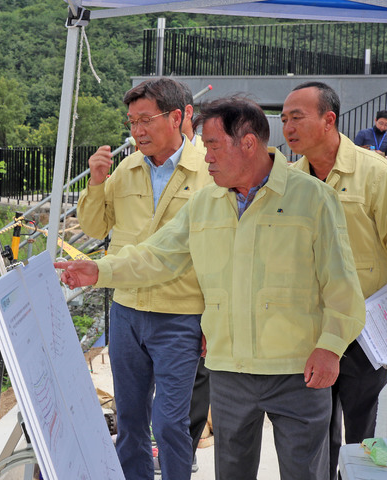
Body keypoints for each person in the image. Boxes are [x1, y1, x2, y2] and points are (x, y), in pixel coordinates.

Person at [57, 96, 366, 480]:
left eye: (215, 146)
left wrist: (331, 347)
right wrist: (98, 271)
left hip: (298, 372)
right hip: (229, 371)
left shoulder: (313, 199)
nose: (206, 158)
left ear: (249, 143)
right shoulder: (205, 203)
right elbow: (158, 256)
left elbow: (343, 286)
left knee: (304, 473)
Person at [76, 78, 211, 479]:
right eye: (131, 122)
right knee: (130, 419)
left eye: (145, 120)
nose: (136, 131)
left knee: (171, 423)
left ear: (176, 117)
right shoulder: (128, 168)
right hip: (128, 311)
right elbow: (95, 225)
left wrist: (213, 316)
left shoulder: (207, 169)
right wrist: (96, 181)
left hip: (181, 313)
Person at [282, 81, 387, 480]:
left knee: (363, 432)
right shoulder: (287, 180)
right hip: (310, 328)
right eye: (283, 120)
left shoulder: (375, 173)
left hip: (366, 328)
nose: (287, 128)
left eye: (296, 117)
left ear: (329, 119)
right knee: (313, 430)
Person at [179, 81, 210, 474]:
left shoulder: (207, 162)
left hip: (201, 289)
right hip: (156, 288)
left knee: (199, 377)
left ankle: (184, 450)